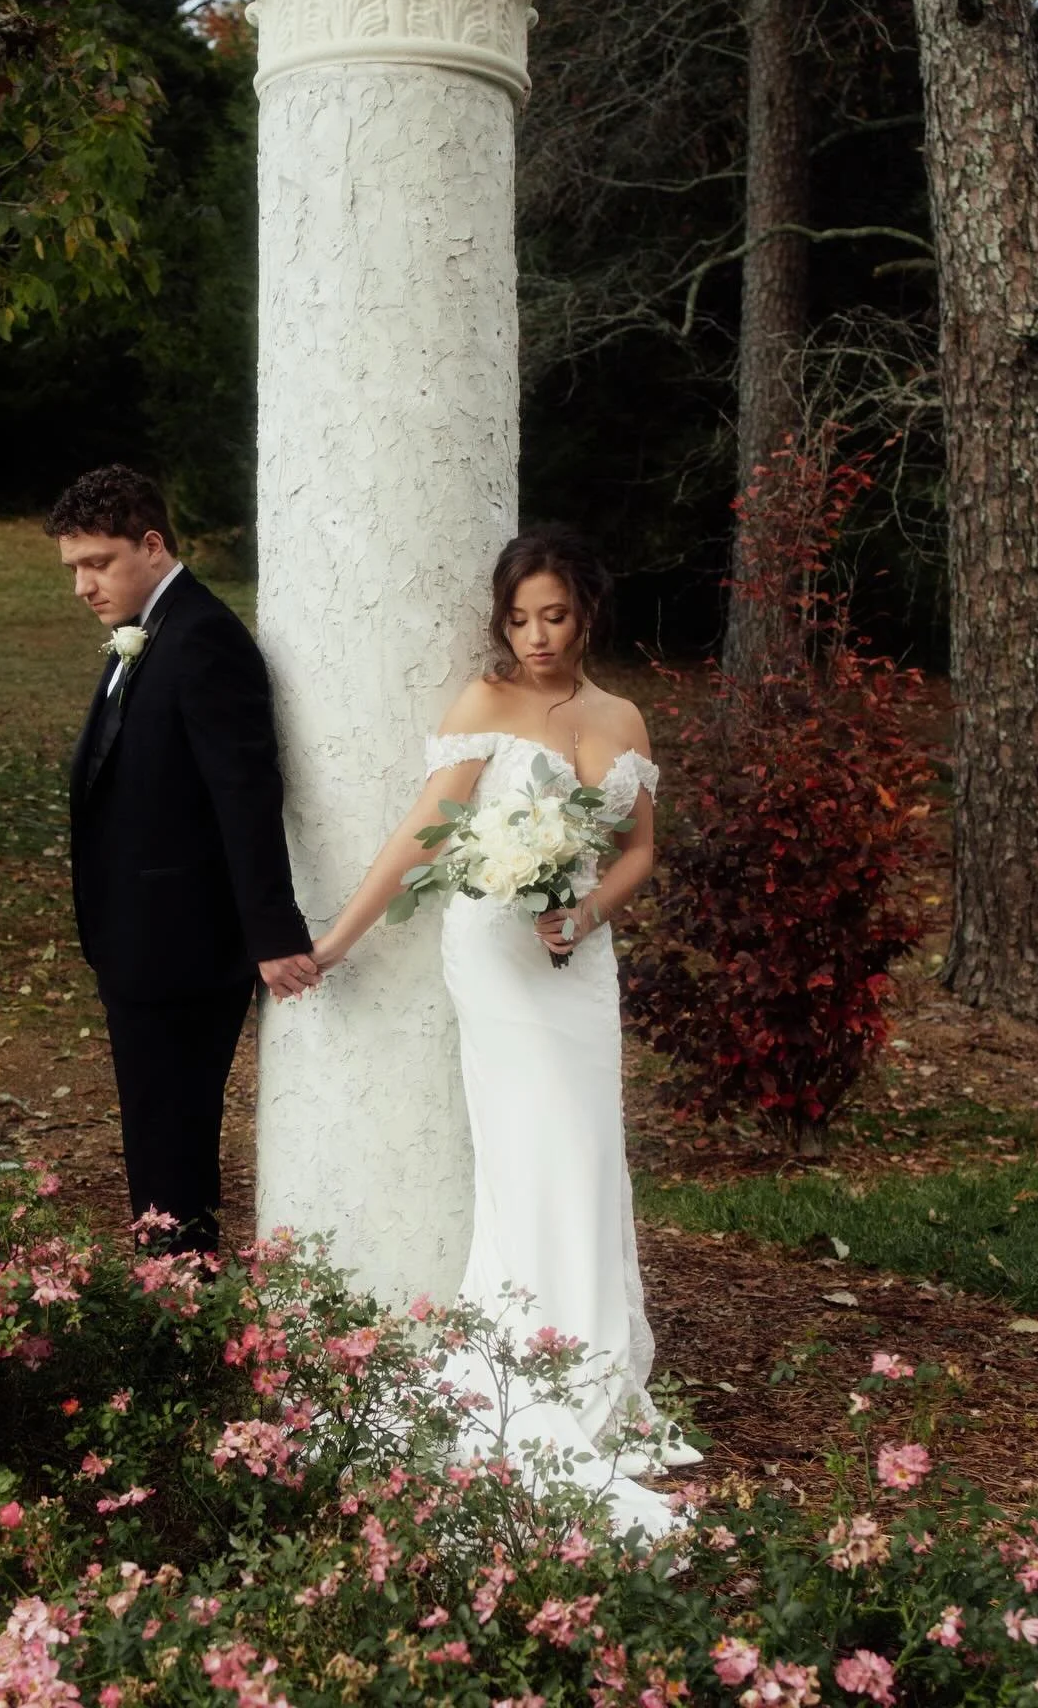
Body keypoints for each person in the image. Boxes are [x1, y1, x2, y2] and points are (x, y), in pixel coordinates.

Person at [311, 526, 699, 1537]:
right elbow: (420, 832)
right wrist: (339, 938)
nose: (535, 635)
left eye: (555, 615)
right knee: (531, 1152)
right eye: (520, 618)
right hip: (492, 949)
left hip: (577, 960)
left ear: (587, 615)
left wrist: (586, 913)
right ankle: (534, 1354)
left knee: (588, 1146)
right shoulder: (485, 705)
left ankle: (593, 1361)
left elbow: (639, 851)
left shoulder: (624, 716)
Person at [48, 465, 319, 1254]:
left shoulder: (203, 639)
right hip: (137, 938)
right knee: (156, 1142)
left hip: (183, 944)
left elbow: (246, 789)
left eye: (97, 563)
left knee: (173, 1143)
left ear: (152, 544)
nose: (82, 586)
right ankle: (172, 1303)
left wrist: (271, 931)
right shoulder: (150, 631)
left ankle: (183, 1314)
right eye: (73, 569)